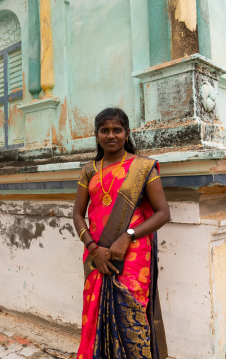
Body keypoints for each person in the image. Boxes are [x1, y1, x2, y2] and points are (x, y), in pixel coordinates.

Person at [73, 108, 170, 359]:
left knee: (132, 319)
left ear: (127, 134)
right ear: (97, 135)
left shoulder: (143, 168)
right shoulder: (88, 170)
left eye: (117, 130)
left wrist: (128, 235)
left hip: (133, 254)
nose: (111, 135)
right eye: (104, 130)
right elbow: (77, 215)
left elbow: (163, 213)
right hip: (97, 256)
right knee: (96, 320)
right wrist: (94, 249)